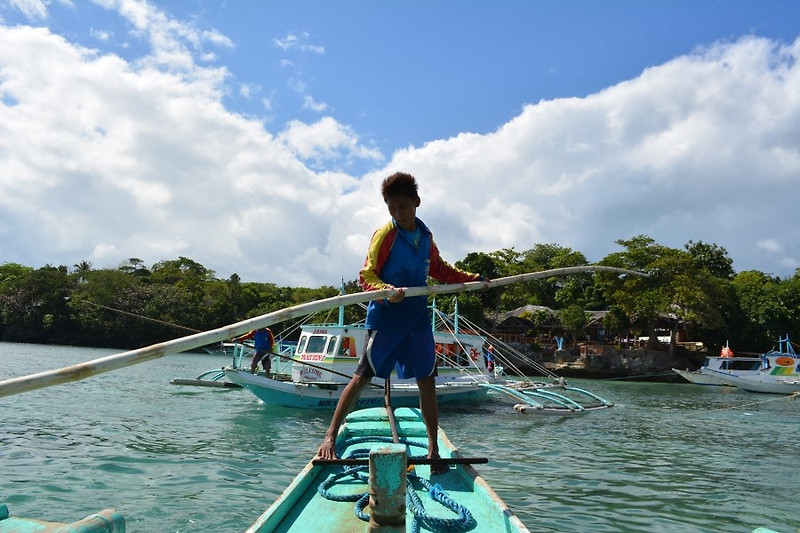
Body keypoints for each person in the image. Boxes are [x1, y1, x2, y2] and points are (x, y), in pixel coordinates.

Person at [316, 172, 487, 473]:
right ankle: (330, 435)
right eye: (392, 208)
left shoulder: (426, 237)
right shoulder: (385, 236)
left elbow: (439, 269)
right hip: (387, 319)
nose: (398, 214)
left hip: (418, 319)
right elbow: (366, 276)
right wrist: (386, 292)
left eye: (403, 207)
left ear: (417, 203)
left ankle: (434, 451)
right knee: (363, 376)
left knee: (427, 381)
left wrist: (474, 280)